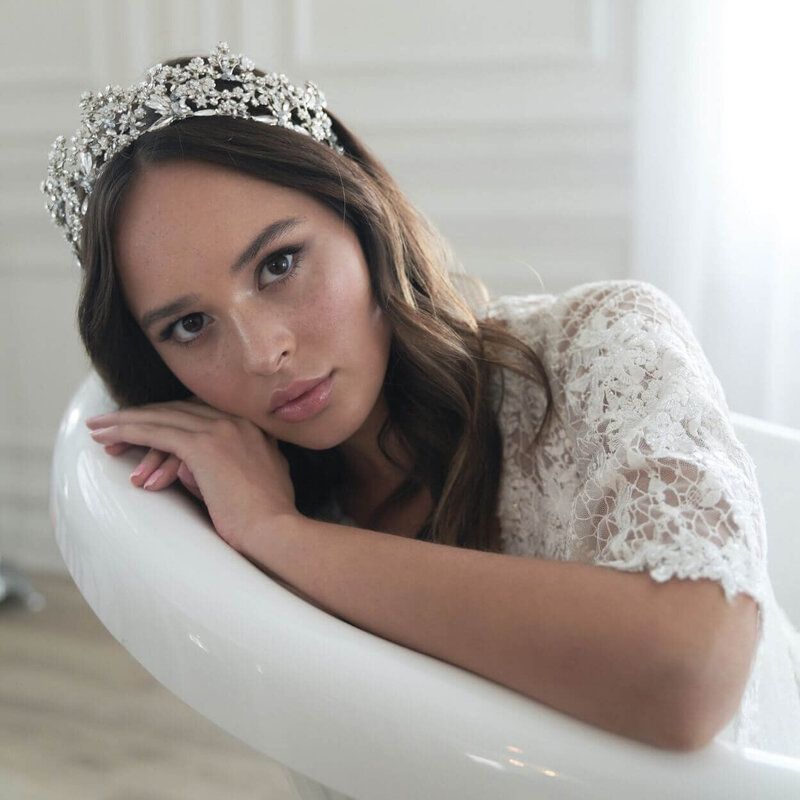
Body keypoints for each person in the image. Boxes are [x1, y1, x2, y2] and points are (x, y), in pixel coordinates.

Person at [42, 42, 800, 757]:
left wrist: (282, 535)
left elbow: (690, 674)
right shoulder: (232, 497)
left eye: (279, 264)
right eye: (190, 324)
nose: (262, 352)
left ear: (363, 220)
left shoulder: (602, 340)